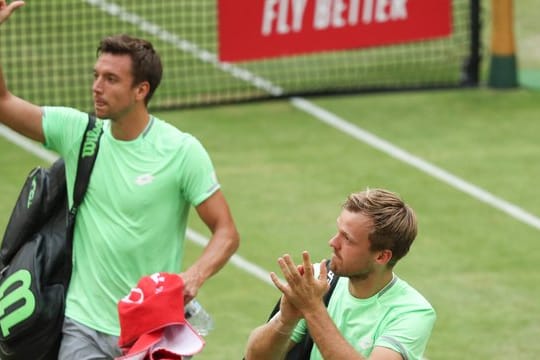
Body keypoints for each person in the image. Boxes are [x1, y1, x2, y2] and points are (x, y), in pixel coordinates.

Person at [0, 1, 240, 359]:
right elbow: (2, 102)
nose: (97, 86)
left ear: (141, 90)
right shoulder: (78, 133)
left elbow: (226, 232)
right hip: (82, 326)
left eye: (110, 79)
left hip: (153, 334)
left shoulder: (181, 152)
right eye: (96, 75)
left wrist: (195, 275)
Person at [244, 188, 436, 360]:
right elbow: (255, 357)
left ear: (382, 256)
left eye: (348, 239)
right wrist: (285, 319)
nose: (333, 242)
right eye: (338, 231)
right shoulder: (322, 281)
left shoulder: (412, 312)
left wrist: (312, 308)